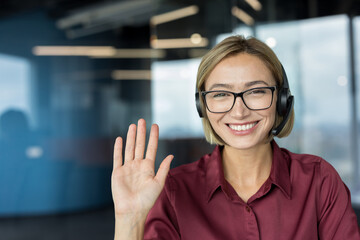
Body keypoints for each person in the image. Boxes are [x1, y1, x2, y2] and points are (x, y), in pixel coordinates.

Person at [111, 35, 360, 239]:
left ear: (282, 101)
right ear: (203, 106)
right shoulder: (174, 191)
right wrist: (129, 218)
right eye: (220, 94)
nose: (239, 111)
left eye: (256, 91)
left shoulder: (319, 181)